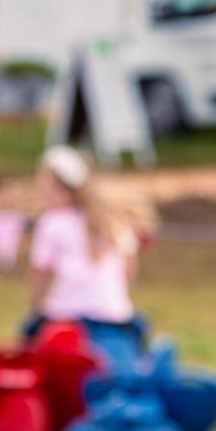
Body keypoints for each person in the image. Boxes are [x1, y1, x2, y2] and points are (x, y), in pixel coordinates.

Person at [24, 145, 156, 349]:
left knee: (27, 337)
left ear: (66, 191)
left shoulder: (51, 222)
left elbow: (39, 274)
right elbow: (129, 270)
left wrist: (37, 308)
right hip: (114, 315)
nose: (41, 197)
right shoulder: (115, 219)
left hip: (65, 315)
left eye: (46, 191)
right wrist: (117, 299)